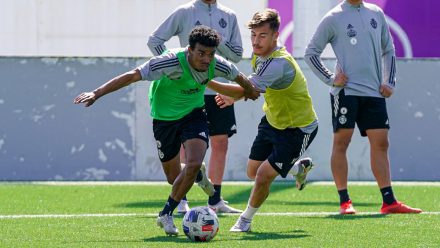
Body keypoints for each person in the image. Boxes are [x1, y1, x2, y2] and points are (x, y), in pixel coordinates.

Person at [74, 26, 259, 236]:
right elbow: (132, 75)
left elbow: (239, 76)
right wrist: (96, 93)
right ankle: (198, 176)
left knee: (194, 161)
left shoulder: (216, 64)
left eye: (210, 54)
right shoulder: (169, 61)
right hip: (164, 120)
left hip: (193, 114)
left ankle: (166, 213)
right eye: (201, 53)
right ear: (189, 50)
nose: (206, 59)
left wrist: (250, 91)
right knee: (174, 178)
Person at [304, 0, 422, 214]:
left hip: (374, 92)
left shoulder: (376, 13)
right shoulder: (333, 17)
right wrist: (331, 79)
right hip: (346, 93)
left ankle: (389, 202)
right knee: (342, 143)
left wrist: (389, 82)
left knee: (381, 143)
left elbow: (389, 49)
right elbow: (311, 53)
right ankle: (345, 201)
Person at [215, 9, 319, 232]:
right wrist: (239, 95)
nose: (256, 41)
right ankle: (297, 168)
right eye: (253, 35)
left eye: (262, 35)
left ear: (275, 36)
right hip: (272, 121)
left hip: (298, 129)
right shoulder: (259, 56)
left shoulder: (279, 63)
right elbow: (252, 90)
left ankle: (245, 220)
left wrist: (207, 82)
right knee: (252, 172)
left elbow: (250, 88)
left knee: (262, 176)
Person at [147, 0, 244, 214]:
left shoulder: (229, 15)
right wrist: (174, 71)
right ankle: (181, 199)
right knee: (185, 144)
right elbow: (154, 40)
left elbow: (237, 54)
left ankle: (215, 200)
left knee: (220, 142)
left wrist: (217, 40)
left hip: (219, 89)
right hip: (188, 92)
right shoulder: (184, 11)